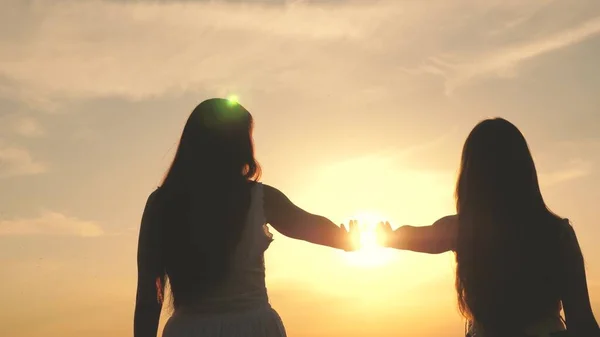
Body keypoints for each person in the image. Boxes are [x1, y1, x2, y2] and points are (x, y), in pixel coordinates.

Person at [133, 98, 356, 337]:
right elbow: (310, 226)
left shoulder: (162, 204)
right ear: (239, 146)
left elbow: (149, 296)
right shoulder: (261, 198)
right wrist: (359, 238)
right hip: (254, 329)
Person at [377, 118, 599, 337]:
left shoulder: (465, 230)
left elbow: (411, 237)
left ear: (470, 177)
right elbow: (583, 323)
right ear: (524, 171)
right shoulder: (556, 234)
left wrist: (370, 238)